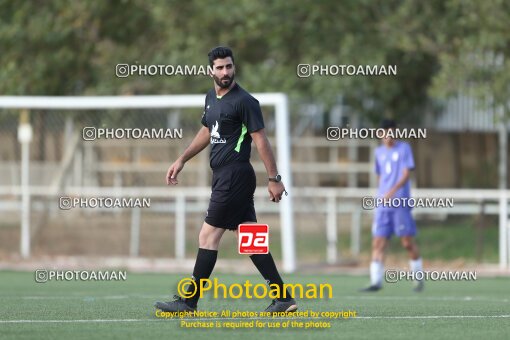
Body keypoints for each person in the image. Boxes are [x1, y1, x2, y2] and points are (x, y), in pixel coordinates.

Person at [155, 46, 297, 312]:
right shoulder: (211, 98)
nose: (225, 72)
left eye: (229, 66)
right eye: (220, 68)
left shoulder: (245, 101)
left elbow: (261, 141)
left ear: (234, 67)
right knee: (249, 237)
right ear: (211, 70)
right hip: (225, 176)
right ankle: (284, 298)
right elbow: (207, 130)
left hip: (235, 174)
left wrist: (274, 178)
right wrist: (182, 159)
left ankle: (189, 302)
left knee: (207, 236)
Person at [361, 119, 424, 292]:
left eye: (392, 133)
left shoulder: (404, 149)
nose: (389, 137)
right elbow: (380, 176)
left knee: (407, 243)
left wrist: (392, 191)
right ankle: (376, 282)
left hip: (400, 203)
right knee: (378, 242)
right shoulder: (379, 152)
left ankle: (418, 279)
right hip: (383, 206)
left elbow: (405, 174)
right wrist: (382, 194)